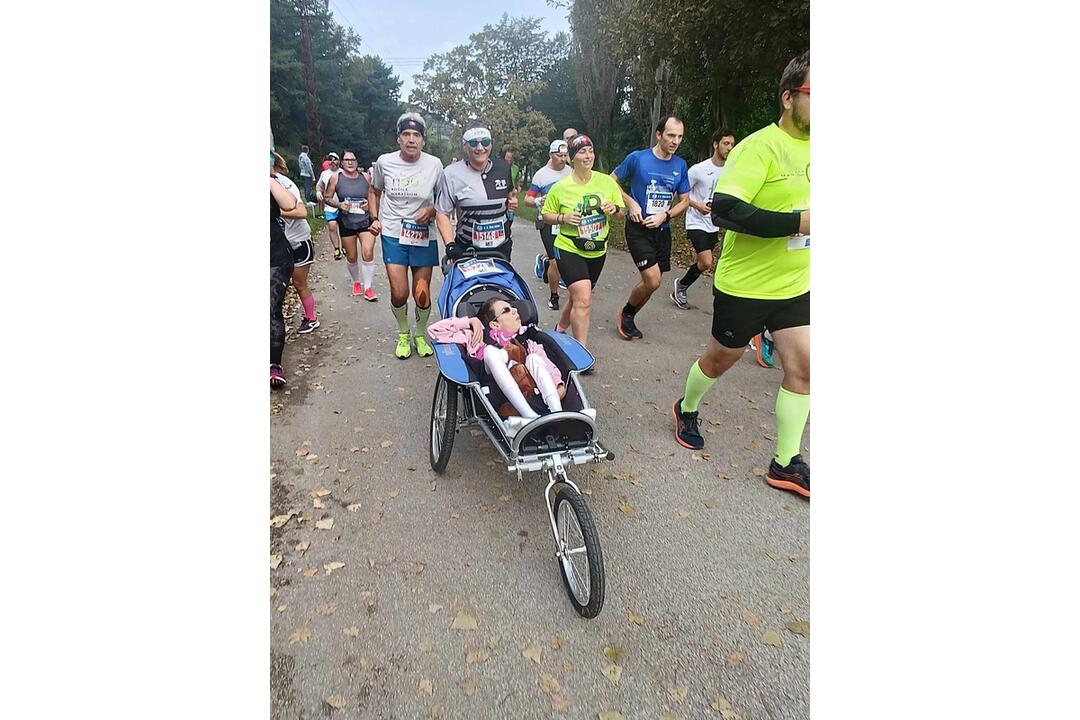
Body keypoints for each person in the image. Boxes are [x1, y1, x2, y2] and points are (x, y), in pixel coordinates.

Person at [672, 50, 811, 499]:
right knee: (720, 360)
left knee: (805, 366)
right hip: (745, 285)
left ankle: (786, 463)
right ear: (789, 97)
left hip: (796, 283)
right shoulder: (759, 147)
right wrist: (797, 223)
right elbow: (727, 210)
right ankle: (686, 407)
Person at [370, 112, 445, 359]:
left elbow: (444, 199)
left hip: (423, 234)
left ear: (423, 141)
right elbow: (374, 190)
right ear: (398, 139)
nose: (411, 140)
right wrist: (375, 218)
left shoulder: (434, 164)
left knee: (422, 293)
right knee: (399, 293)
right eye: (406, 135)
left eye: (416, 135)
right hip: (393, 232)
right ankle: (404, 333)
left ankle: (420, 334)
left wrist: (432, 209)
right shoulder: (384, 162)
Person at [540, 134, 625, 351]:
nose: (587, 156)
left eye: (590, 151)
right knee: (584, 298)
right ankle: (581, 353)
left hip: (597, 250)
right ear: (571, 157)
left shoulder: (607, 182)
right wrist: (563, 218)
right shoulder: (560, 187)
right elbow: (546, 214)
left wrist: (614, 209)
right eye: (581, 152)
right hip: (568, 247)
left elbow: (620, 213)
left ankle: (559, 329)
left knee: (579, 298)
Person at [611, 115, 691, 340]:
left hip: (662, 230)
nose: (675, 141)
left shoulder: (680, 165)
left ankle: (628, 315)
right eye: (671, 135)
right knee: (653, 279)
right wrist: (630, 201)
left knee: (653, 283)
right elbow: (610, 181)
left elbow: (684, 201)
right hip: (638, 228)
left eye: (679, 137)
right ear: (659, 135)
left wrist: (664, 215)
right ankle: (626, 313)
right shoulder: (637, 159)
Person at [426, 298, 566, 420]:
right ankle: (528, 415)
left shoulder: (528, 340)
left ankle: (557, 413)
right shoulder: (475, 336)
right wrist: (470, 321)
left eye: (513, 307)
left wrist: (558, 385)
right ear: (494, 324)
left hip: (531, 391)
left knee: (534, 358)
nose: (515, 311)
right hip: (492, 384)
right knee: (490, 352)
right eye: (506, 310)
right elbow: (434, 330)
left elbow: (548, 364)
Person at [435, 120, 518, 263]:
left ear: (491, 145)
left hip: (500, 250)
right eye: (473, 143)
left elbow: (511, 194)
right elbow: (442, 212)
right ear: (465, 146)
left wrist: (512, 201)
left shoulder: (503, 168)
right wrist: (450, 245)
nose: (480, 148)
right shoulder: (450, 173)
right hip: (467, 250)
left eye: (485, 142)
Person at [671, 128, 735, 309]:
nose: (729, 147)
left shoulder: (731, 171)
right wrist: (698, 206)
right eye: (725, 143)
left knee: (703, 264)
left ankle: (681, 286)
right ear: (716, 144)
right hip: (696, 221)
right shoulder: (698, 170)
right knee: (707, 261)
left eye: (732, 144)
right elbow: (681, 196)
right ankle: (681, 286)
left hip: (713, 224)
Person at [273, 153, 319, 334]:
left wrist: (276, 213)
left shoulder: (284, 184)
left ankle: (311, 318)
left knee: (299, 283)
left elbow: (301, 212)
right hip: (278, 243)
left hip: (298, 241)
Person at [325, 150, 378, 300]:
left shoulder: (366, 177)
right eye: (347, 160)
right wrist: (339, 204)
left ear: (356, 162)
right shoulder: (336, 178)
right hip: (347, 221)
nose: (350, 162)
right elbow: (327, 198)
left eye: (353, 160)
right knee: (352, 256)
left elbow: (373, 195)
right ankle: (356, 282)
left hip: (365, 220)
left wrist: (370, 206)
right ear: (342, 162)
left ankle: (368, 288)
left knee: (368, 252)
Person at [271, 149, 304, 387]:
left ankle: (274, 365)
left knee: (270, 308)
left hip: (275, 256)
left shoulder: (277, 183)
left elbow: (291, 204)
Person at [527, 140, 572, 310]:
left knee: (566, 258)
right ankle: (554, 296)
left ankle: (544, 262)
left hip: (567, 220)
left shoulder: (571, 172)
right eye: (559, 155)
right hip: (547, 222)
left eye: (565, 155)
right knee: (556, 262)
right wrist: (539, 200)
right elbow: (528, 199)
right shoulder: (541, 175)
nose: (562, 159)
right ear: (551, 155)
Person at [317, 153, 343, 260]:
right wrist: (318, 192)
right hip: (330, 205)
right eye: (330, 160)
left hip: (342, 204)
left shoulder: (343, 173)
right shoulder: (324, 174)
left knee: (344, 227)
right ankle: (337, 249)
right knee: (332, 226)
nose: (332, 161)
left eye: (335, 159)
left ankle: (345, 246)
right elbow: (319, 185)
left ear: (339, 161)